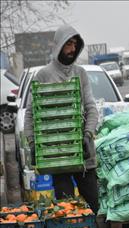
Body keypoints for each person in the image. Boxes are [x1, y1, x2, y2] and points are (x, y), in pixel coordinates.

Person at [24, 25, 99, 214]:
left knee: (93, 202)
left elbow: (91, 108)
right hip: (57, 155)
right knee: (66, 208)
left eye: (75, 45)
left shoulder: (80, 73)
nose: (72, 49)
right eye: (68, 44)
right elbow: (31, 114)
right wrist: (33, 143)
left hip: (83, 154)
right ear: (58, 46)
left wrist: (87, 135)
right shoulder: (43, 75)